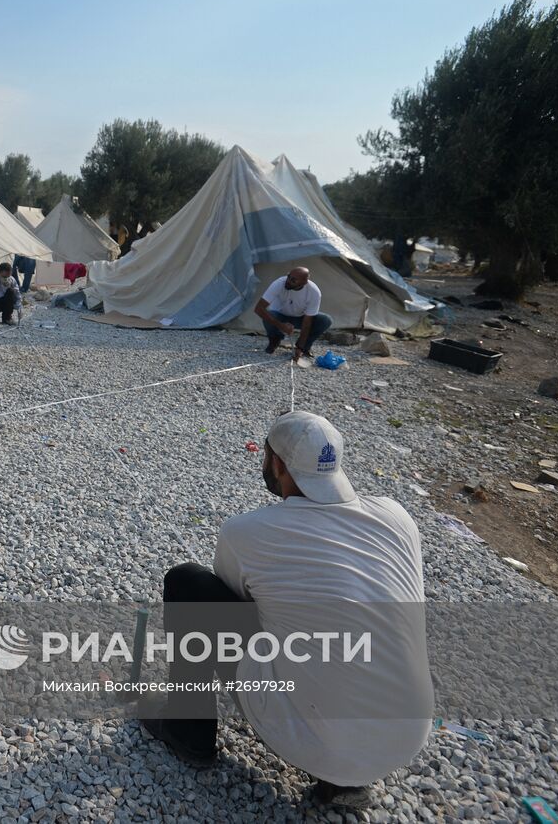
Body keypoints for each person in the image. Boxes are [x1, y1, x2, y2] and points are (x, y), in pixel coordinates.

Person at [142, 411, 433, 810]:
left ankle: (188, 731)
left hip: (316, 737)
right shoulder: (397, 516)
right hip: (404, 738)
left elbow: (235, 611)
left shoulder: (247, 531)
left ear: (276, 463)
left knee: (188, 584)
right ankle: (343, 781)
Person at [253, 267, 332, 361]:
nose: (288, 281)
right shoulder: (279, 283)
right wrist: (281, 326)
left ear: (303, 283)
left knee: (325, 320)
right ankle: (274, 341)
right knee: (269, 315)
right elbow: (258, 309)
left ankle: (305, 347)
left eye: (293, 280)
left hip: (300, 318)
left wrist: (300, 347)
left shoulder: (314, 292)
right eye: (289, 277)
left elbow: (307, 322)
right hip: (280, 316)